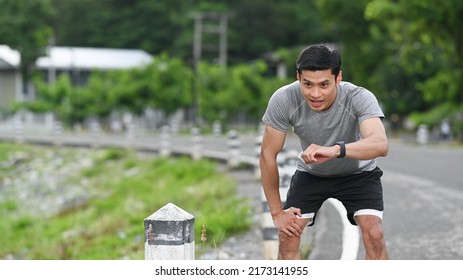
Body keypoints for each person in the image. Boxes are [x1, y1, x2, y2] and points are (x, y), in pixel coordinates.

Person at [260, 44, 389, 260]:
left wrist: (335, 150)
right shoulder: (284, 99)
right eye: (307, 84)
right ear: (298, 77)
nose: (315, 93)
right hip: (312, 175)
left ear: (338, 78)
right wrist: (276, 213)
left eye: (324, 85)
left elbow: (380, 144)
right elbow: (267, 155)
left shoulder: (358, 97)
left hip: (358, 175)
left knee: (374, 234)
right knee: (288, 235)